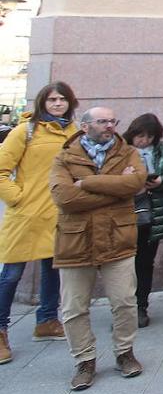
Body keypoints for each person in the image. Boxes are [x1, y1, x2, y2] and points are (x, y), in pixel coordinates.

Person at [49, 107, 147, 391]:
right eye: (102, 121)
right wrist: (116, 190)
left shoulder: (127, 152)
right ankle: (84, 359)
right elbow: (64, 197)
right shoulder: (65, 156)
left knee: (125, 301)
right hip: (75, 240)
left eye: (113, 121)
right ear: (85, 125)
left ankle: (124, 352)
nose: (109, 126)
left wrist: (89, 183)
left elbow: (136, 183)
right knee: (74, 307)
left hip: (118, 237)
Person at [0, 82, 79, 363]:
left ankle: (46, 320)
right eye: (52, 99)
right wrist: (17, 197)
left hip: (59, 213)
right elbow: (1, 169)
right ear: (42, 102)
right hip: (27, 214)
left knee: (52, 270)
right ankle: (0, 330)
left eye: (62, 99)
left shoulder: (73, 131)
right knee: (11, 275)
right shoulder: (25, 131)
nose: (57, 104)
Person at [122, 114, 163, 328]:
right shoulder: (121, 150)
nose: (144, 141)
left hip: (153, 214)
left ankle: (141, 306)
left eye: (149, 136)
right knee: (122, 265)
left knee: (145, 263)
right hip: (125, 215)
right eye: (140, 136)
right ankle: (123, 309)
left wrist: (161, 181)